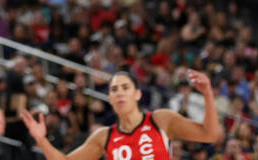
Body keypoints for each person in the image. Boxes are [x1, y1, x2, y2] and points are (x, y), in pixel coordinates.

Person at [21, 68, 223, 160]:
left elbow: (210, 134)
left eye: (125, 87)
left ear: (137, 94)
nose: (119, 93)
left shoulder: (160, 120)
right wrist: (41, 140)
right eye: (114, 89)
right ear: (109, 98)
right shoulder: (103, 137)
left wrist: (207, 95)